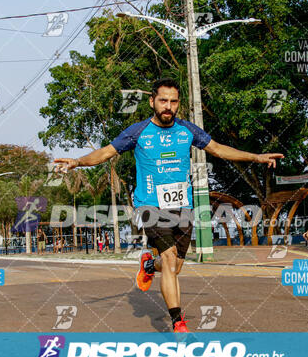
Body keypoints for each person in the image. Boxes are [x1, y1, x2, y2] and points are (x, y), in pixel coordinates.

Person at [54, 78, 283, 332]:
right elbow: (105, 152)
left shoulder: (188, 131)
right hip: (150, 205)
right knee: (170, 259)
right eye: (163, 101)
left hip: (182, 207)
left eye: (173, 102)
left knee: (174, 266)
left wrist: (257, 157)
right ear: (152, 101)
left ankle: (149, 265)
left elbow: (218, 149)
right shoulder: (138, 132)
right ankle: (178, 322)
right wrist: (76, 162)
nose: (168, 106)